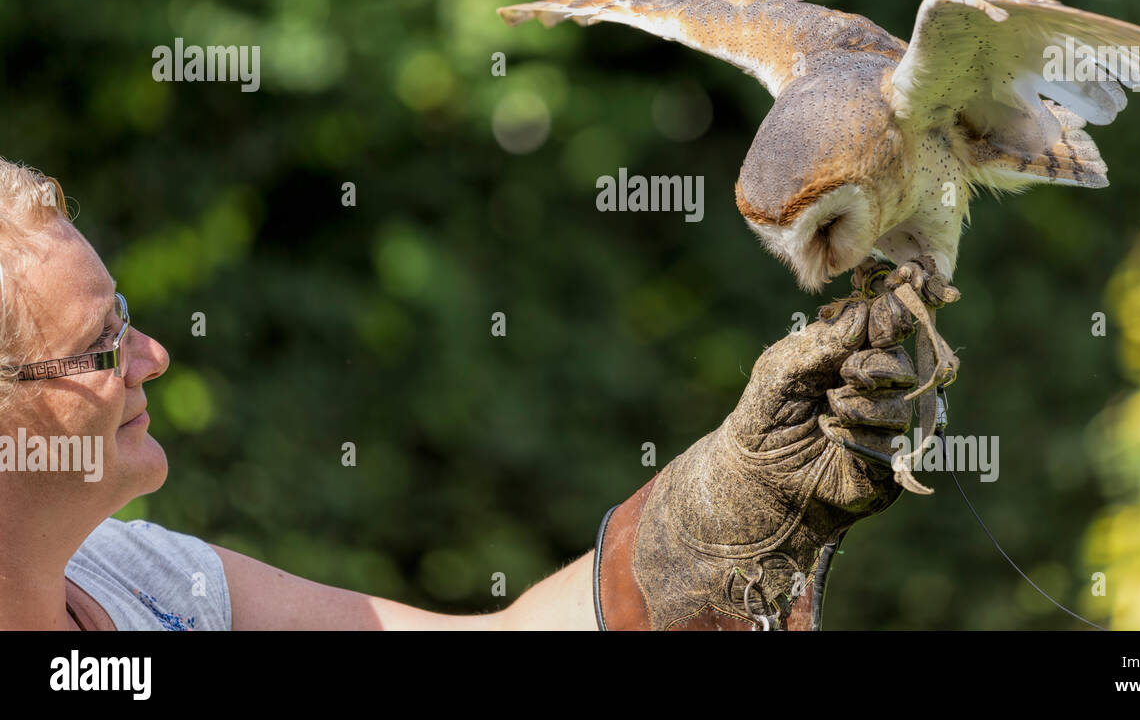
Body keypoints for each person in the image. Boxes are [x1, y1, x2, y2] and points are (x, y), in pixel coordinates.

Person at [0, 157, 922, 630]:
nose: (153, 357)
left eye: (126, 317)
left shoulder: (142, 582)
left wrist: (729, 502)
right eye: (99, 350)